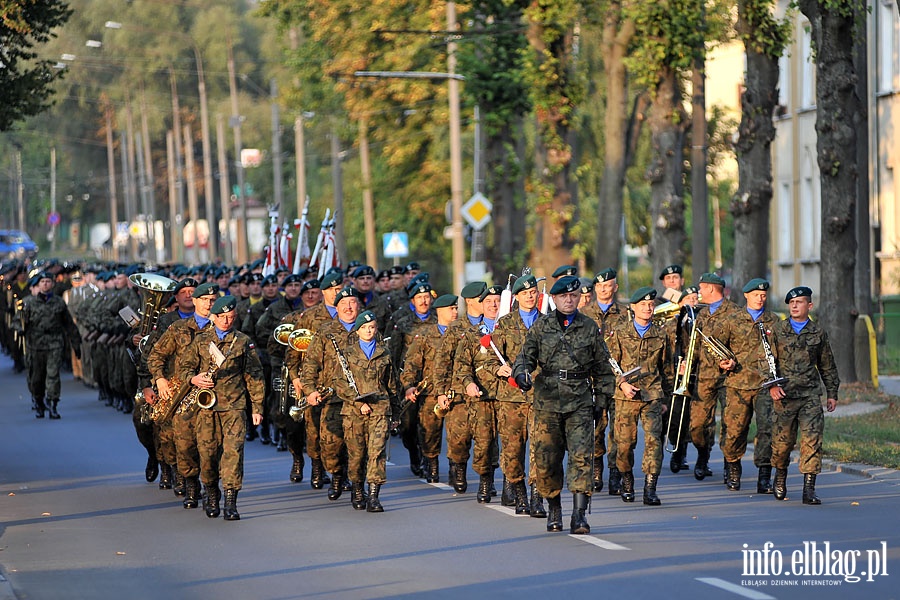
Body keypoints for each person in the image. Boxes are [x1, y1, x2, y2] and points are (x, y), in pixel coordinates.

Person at [512, 275, 612, 535]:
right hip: (547, 401)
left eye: (573, 295)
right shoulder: (541, 327)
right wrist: (522, 374)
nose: (569, 300)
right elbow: (525, 357)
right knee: (547, 460)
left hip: (579, 400)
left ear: (579, 297)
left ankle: (579, 515)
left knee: (582, 457)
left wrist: (601, 402)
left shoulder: (589, 327)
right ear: (554, 299)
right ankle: (554, 507)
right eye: (564, 296)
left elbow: (603, 369)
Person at [177, 295, 264, 520]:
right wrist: (194, 379)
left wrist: (257, 407)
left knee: (233, 453)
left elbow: (254, 375)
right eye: (222, 317)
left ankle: (231, 501)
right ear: (213, 317)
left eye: (230, 317)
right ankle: (211, 492)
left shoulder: (243, 341)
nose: (226, 321)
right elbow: (184, 367)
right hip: (206, 408)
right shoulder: (200, 340)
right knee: (207, 454)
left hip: (234, 406)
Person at [147, 282, 220, 509]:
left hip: (213, 396)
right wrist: (159, 379)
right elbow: (155, 356)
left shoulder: (224, 329)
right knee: (184, 445)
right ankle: (190, 484)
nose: (209, 304)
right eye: (204, 300)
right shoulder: (178, 328)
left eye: (213, 300)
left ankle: (210, 488)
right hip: (182, 396)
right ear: (195, 302)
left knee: (211, 446)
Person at [768, 287, 839, 504]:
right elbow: (767, 362)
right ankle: (780, 477)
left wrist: (832, 393)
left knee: (812, 441)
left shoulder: (818, 333)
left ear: (809, 306)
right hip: (784, 396)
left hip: (809, 395)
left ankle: (809, 489)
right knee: (782, 444)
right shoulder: (778, 330)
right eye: (792, 302)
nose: (795, 306)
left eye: (799, 302)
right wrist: (771, 386)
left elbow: (827, 365)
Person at [606, 287, 671, 505]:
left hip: (652, 395)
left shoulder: (661, 334)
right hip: (626, 397)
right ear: (633, 308)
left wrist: (665, 399)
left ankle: (650, 487)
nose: (647, 308)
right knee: (624, 444)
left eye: (651, 304)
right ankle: (626, 481)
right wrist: (622, 384)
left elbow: (667, 368)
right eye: (642, 305)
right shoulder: (620, 333)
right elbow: (610, 364)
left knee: (654, 442)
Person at [716, 278, 781, 493]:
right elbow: (716, 347)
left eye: (763, 295)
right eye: (756, 295)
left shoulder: (773, 320)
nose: (760, 299)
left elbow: (781, 351)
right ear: (746, 296)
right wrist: (724, 361)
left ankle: (764, 476)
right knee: (735, 430)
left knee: (767, 430)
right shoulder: (733, 320)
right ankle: (733, 468)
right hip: (738, 383)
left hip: (765, 385)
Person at [489, 275, 541, 515]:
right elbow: (490, 356)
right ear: (517, 297)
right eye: (525, 293)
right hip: (511, 398)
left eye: (533, 292)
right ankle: (518, 493)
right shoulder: (505, 324)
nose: (530, 296)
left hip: (541, 396)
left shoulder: (548, 323)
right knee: (512, 450)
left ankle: (537, 497)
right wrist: (497, 368)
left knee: (541, 448)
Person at [338, 310, 397, 511]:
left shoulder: (384, 352)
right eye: (364, 327)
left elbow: (392, 384)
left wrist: (395, 413)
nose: (369, 331)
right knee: (356, 455)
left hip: (380, 408)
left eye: (372, 327)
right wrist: (357, 403)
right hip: (354, 412)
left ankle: (373, 496)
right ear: (358, 330)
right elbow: (340, 383)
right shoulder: (347, 353)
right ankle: (357, 488)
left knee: (377, 452)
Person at [433, 281, 486, 494]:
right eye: (483, 299)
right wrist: (440, 392)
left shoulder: (495, 324)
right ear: (471, 302)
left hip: (486, 391)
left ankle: (486, 479)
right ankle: (458, 470)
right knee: (459, 438)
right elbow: (442, 361)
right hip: (459, 393)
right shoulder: (456, 329)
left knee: (486, 439)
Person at [400, 294, 458, 484]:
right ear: (441, 311)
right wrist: (408, 386)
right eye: (452, 309)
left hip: (457, 391)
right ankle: (431, 464)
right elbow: (412, 364)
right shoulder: (425, 335)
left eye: (456, 308)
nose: (456, 312)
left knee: (457, 434)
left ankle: (455, 468)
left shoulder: (463, 333)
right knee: (429, 432)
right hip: (431, 392)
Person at [580, 268, 628, 494]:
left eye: (608, 285)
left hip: (618, 379)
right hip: (594, 379)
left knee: (619, 430)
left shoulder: (626, 313)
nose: (603, 289)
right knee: (596, 428)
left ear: (615, 288)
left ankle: (616, 473)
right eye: (599, 286)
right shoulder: (584, 313)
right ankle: (596, 469)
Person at [689, 273, 740, 481]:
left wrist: (734, 361)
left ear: (711, 288)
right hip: (704, 376)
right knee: (698, 424)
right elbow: (696, 345)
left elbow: (744, 346)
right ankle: (703, 454)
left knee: (731, 422)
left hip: (730, 376)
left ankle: (730, 463)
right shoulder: (701, 315)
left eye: (701, 288)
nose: (699, 292)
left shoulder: (736, 313)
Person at [20, 272, 81, 419]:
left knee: (53, 375)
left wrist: (76, 343)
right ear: (38, 285)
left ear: (52, 284)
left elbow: (69, 325)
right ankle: (39, 403)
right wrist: (21, 330)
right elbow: (20, 323)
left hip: (55, 344)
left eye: (48, 281)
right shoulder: (29, 303)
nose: (45, 284)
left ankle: (53, 404)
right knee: (37, 378)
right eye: (43, 282)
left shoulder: (59, 302)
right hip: (35, 345)